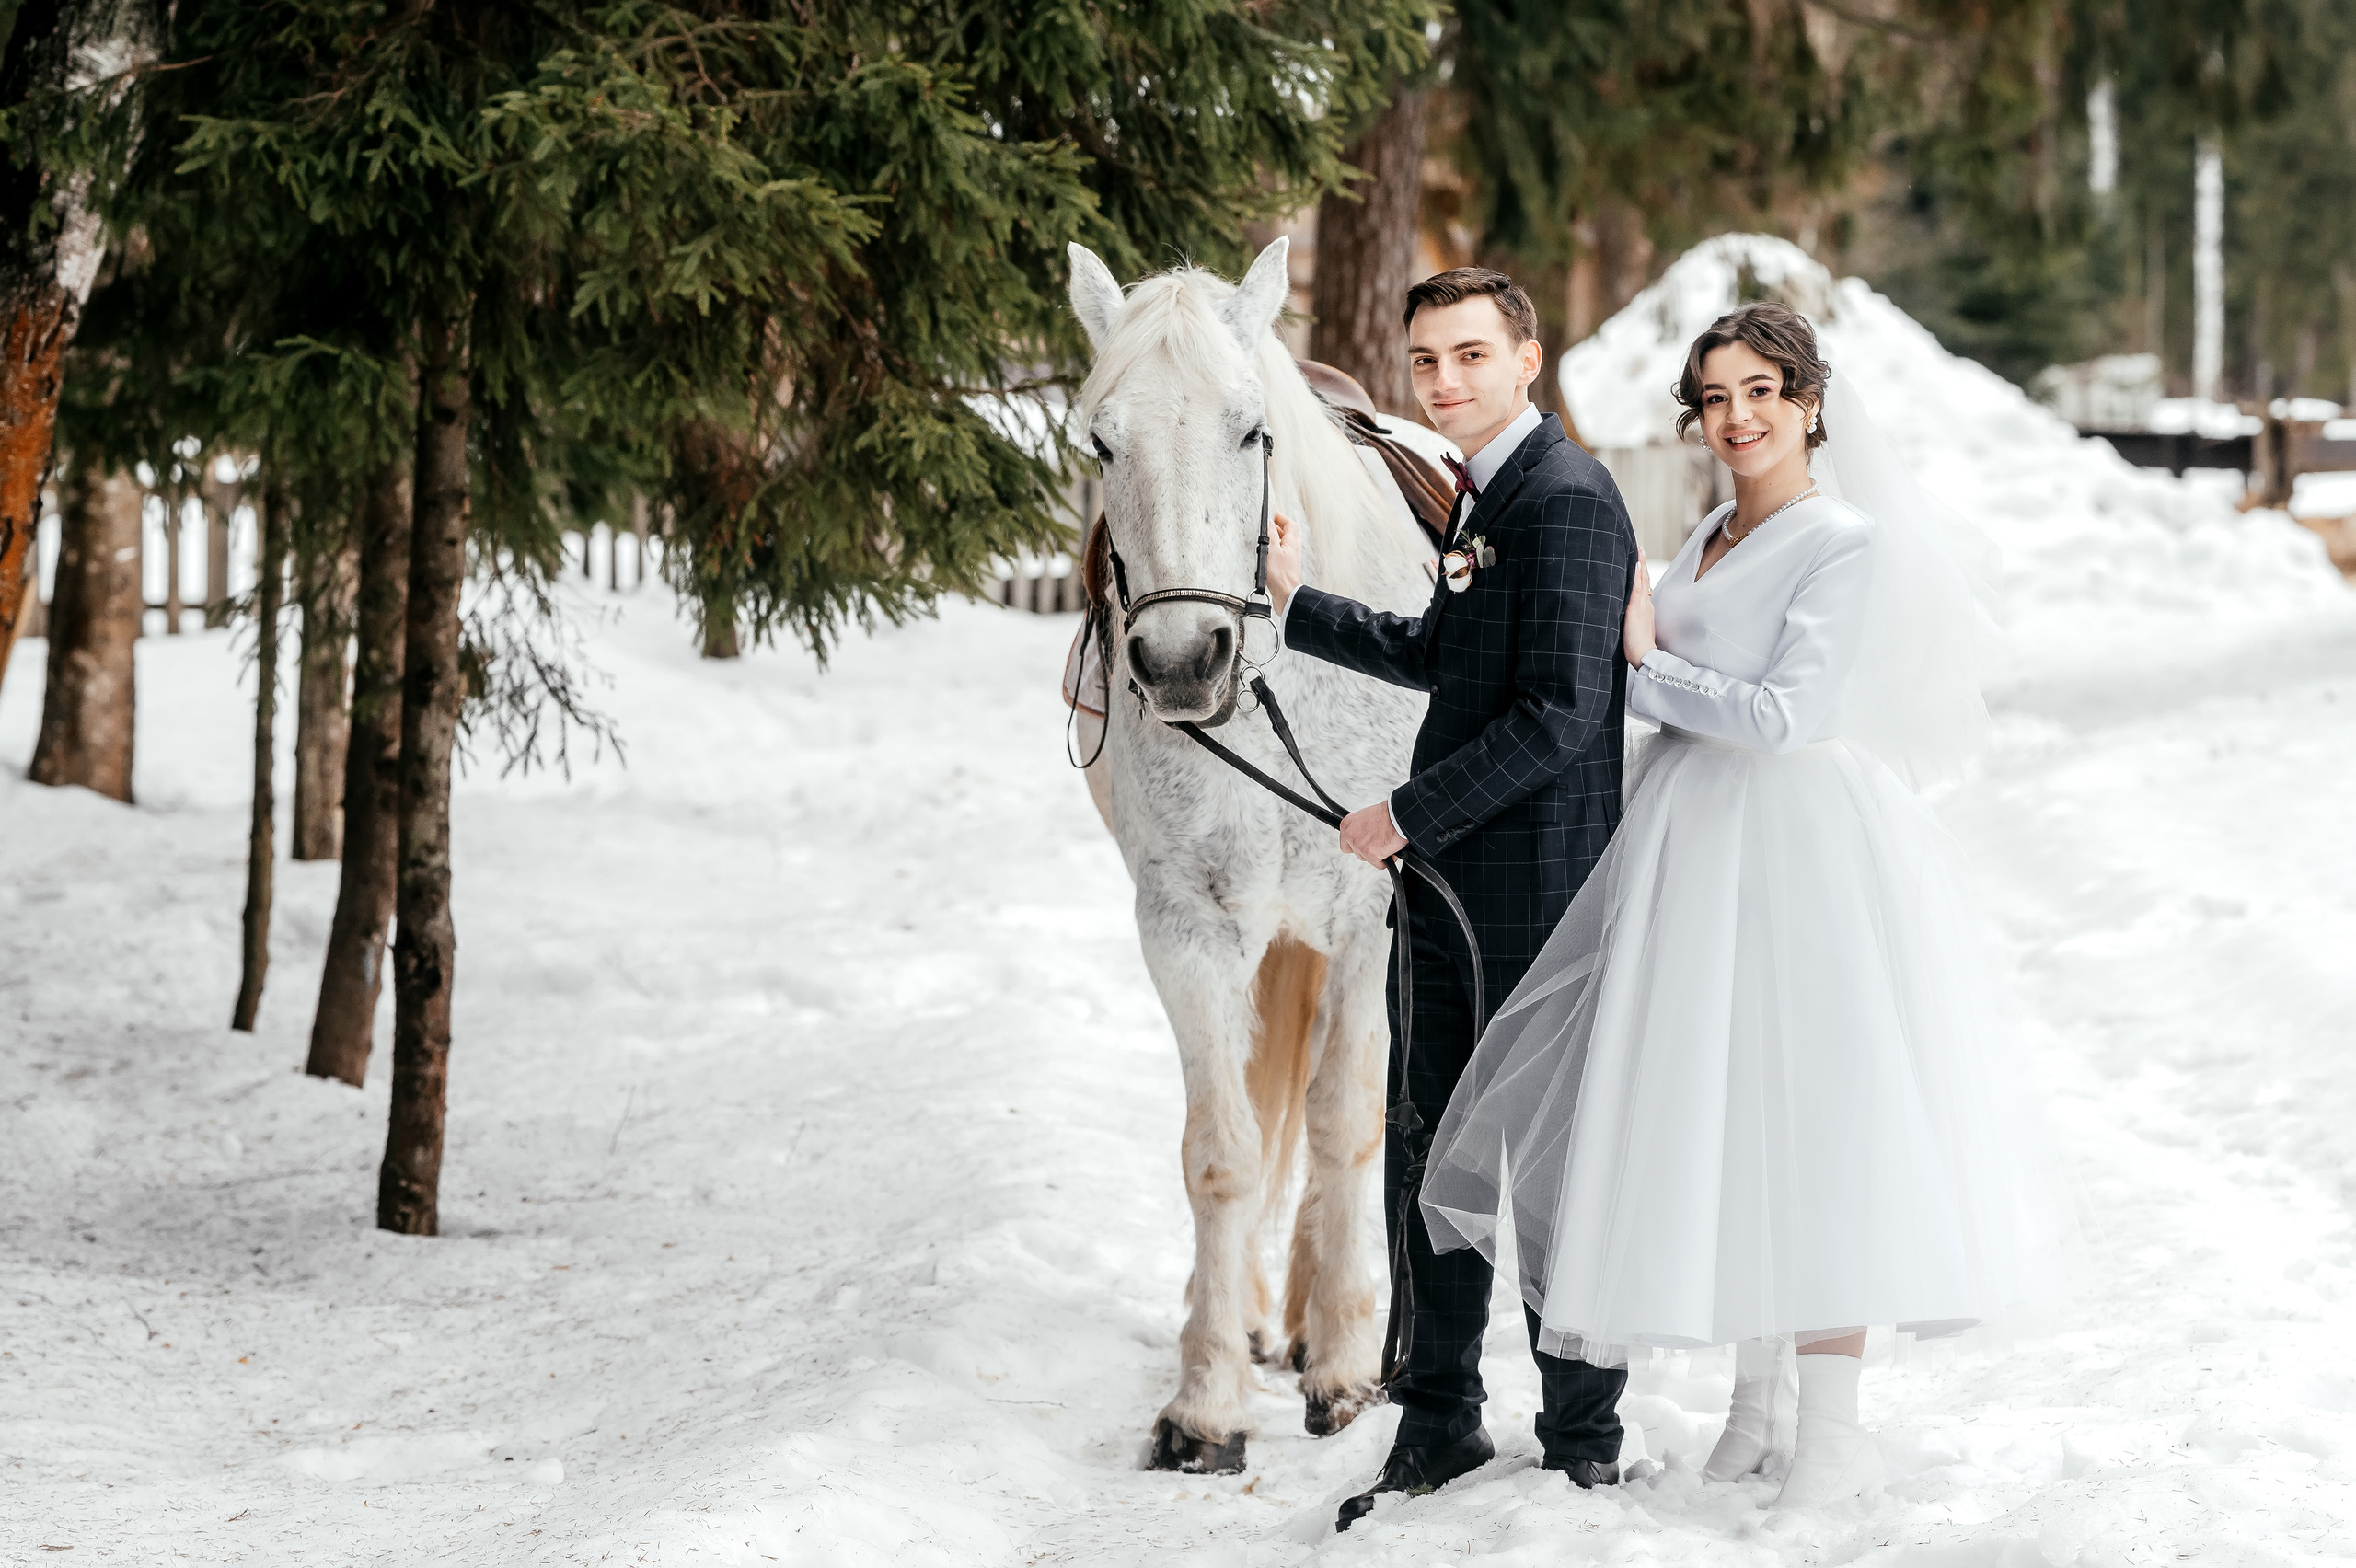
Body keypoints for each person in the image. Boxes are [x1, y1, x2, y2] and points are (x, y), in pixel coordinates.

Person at [1418, 301, 2075, 1508]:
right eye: (1715, 397)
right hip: (1691, 836)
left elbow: (1788, 715)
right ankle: (1756, 1403)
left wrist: (1643, 664)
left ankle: (1834, 1426)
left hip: (1792, 842)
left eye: (1761, 391)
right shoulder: (1715, 525)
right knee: (1729, 1113)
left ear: (1810, 401)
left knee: (1816, 1116)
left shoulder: (1840, 539)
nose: (1737, 417)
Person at [1262, 268, 1644, 1530]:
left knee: (1547, 1161)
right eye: (1428, 362)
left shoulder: (1571, 499)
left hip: (1537, 892)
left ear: (1528, 359)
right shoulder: (1487, 494)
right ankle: (1438, 1420)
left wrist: (1403, 814)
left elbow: (1561, 715)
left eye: (1472, 356)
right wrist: (1290, 606)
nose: (1446, 382)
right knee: (1428, 1141)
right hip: (1448, 890)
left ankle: (1583, 1435)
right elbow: (1444, 658)